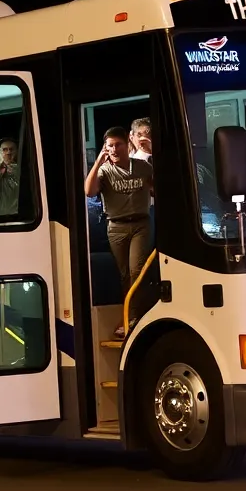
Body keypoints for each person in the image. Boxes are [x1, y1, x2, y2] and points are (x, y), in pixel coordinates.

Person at [85, 126, 153, 338]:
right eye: (110, 146)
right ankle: (132, 316)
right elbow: (89, 191)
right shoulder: (105, 170)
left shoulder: (142, 166)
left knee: (137, 271)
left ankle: (135, 318)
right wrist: (98, 162)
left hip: (141, 223)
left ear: (127, 144)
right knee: (124, 275)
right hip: (116, 226)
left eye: (118, 145)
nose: (114, 150)